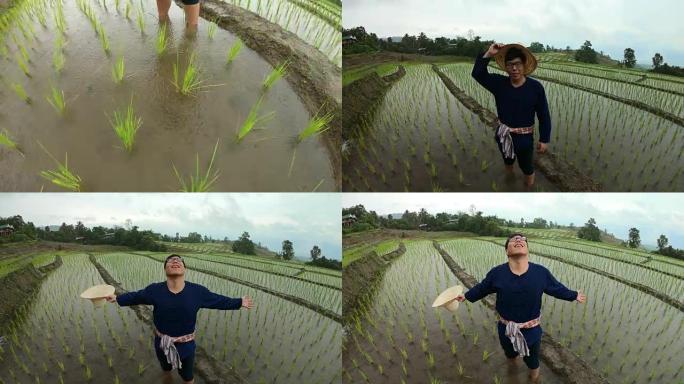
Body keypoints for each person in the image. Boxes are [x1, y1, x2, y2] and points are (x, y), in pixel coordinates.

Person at [449, 233, 586, 382]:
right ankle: (512, 374)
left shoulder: (541, 273)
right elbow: (482, 288)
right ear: (507, 251)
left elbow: (557, 288)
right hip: (506, 328)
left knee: (533, 362)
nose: (519, 240)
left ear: (528, 249)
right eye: (513, 240)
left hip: (532, 330)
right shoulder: (497, 273)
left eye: (522, 240)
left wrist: (573, 295)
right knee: (510, 355)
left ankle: (534, 379)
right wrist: (466, 296)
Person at [105, 254, 254, 384]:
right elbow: (136, 296)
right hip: (161, 342)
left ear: (184, 269)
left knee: (188, 377)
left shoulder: (197, 291)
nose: (175, 261)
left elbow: (219, 300)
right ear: (165, 269)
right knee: (166, 370)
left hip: (186, 345)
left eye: (179, 260)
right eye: (170, 260)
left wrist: (239, 302)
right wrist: (118, 298)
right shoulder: (155, 290)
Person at [472, 43, 551, 188]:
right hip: (503, 134)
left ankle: (528, 188)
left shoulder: (535, 87)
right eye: (510, 65)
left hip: (524, 138)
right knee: (508, 161)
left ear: (524, 64)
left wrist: (544, 139)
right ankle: (510, 179)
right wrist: (489, 54)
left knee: (527, 167)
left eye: (518, 64)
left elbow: (543, 114)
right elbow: (478, 74)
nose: (514, 68)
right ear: (506, 67)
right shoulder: (499, 83)